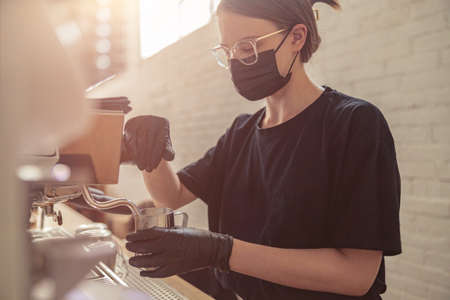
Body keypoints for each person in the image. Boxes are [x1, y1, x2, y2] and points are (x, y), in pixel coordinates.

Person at [123, 0, 402, 299]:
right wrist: (150, 151)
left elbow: (356, 275)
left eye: (247, 47)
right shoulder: (241, 133)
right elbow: (170, 196)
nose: (236, 62)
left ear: (297, 37)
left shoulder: (353, 123)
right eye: (228, 51)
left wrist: (222, 251)